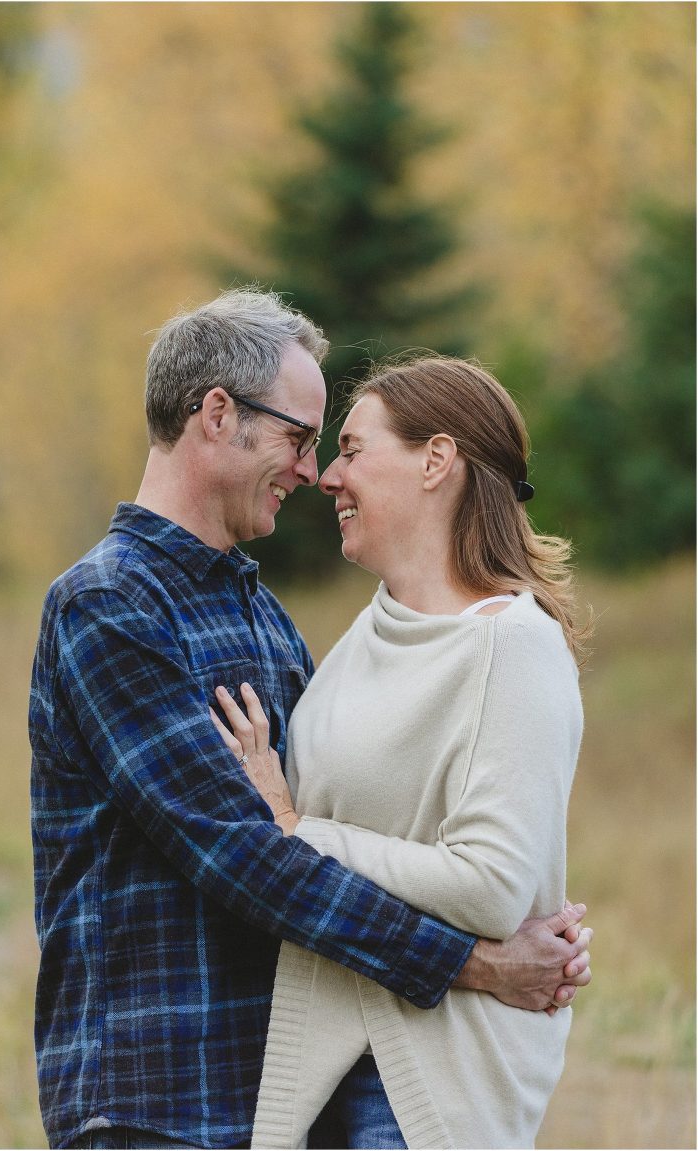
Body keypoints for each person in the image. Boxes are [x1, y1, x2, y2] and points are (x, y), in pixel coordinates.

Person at [30, 291, 592, 1151]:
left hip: (281, 1095)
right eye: (298, 436)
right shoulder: (109, 605)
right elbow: (248, 853)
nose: (310, 468)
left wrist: (514, 910)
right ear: (218, 415)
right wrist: (480, 964)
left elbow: (328, 826)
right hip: (154, 1093)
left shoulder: (264, 618)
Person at [211, 354, 591, 1149]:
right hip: (319, 1064)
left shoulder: (514, 646)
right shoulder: (363, 635)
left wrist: (296, 829)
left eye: (351, 448)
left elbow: (489, 887)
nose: (327, 476)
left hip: (425, 1084)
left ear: (437, 460)